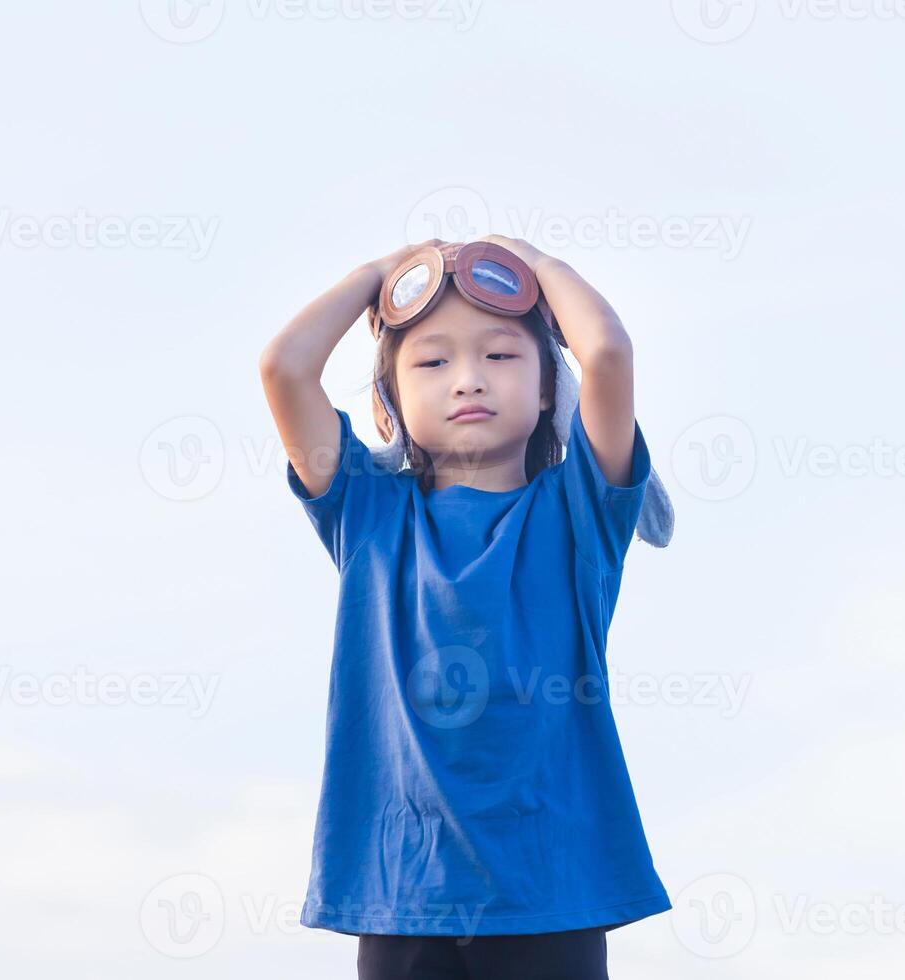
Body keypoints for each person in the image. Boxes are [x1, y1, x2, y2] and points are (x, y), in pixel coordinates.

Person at [258, 234, 674, 980]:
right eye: (433, 361)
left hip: (551, 894)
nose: (468, 379)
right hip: (402, 895)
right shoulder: (367, 516)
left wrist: (540, 266)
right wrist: (374, 278)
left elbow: (607, 352)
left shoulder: (579, 514)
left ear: (549, 386)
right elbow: (284, 369)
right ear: (389, 404)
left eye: (502, 356)